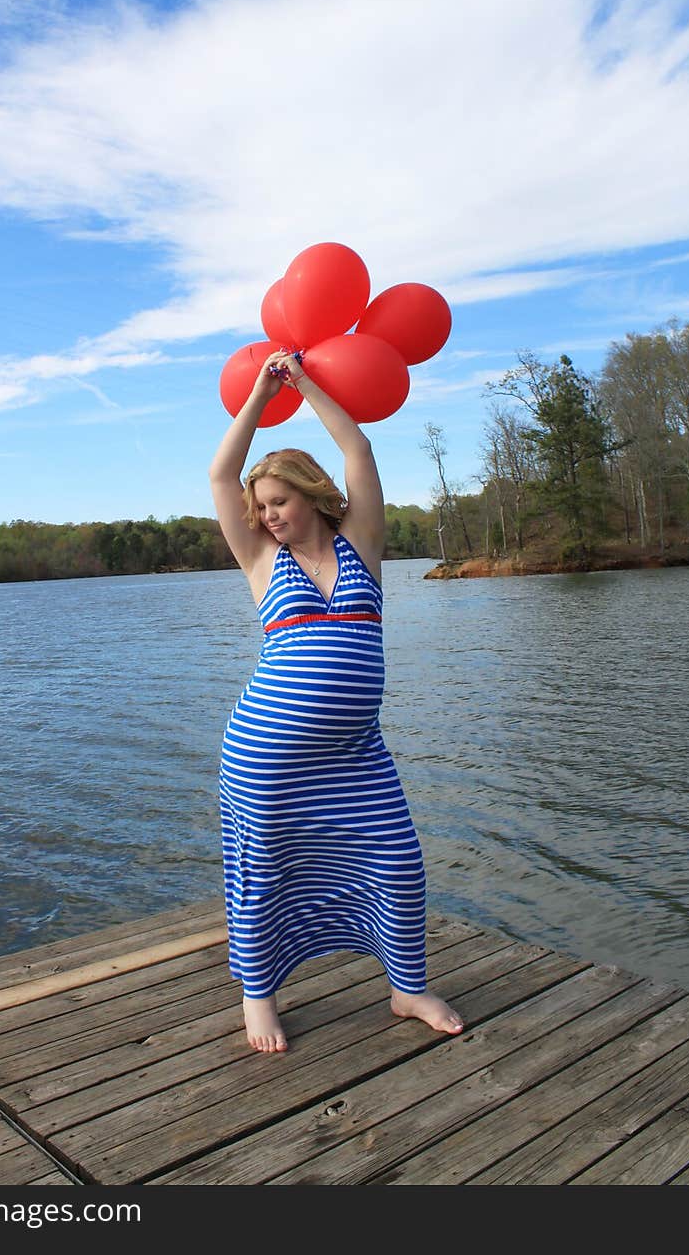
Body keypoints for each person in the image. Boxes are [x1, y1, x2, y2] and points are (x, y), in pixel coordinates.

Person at [209, 348, 463, 1053]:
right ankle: (258, 998)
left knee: (399, 861)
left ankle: (406, 988)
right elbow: (221, 474)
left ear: (312, 495)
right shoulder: (263, 562)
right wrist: (259, 396)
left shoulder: (363, 545)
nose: (269, 516)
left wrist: (306, 382)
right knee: (266, 873)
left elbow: (357, 444)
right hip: (268, 759)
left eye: (279, 502)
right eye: (260, 509)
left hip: (355, 755)